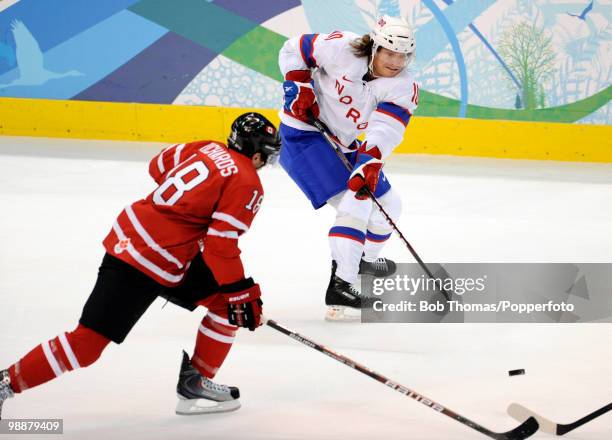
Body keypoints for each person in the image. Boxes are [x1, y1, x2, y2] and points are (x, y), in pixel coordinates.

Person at [0, 113, 281, 417]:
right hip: (146, 259)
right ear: (256, 154)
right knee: (87, 345)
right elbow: (219, 246)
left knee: (225, 306)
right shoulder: (247, 182)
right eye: (266, 156)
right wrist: (242, 291)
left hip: (147, 241)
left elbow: (157, 165)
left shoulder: (206, 147)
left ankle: (195, 383)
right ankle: (5, 383)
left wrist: (189, 207)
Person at [278, 16, 419, 321]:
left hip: (344, 142)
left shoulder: (403, 86)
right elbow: (294, 49)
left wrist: (369, 163)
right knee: (356, 203)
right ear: (375, 46)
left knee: (390, 206)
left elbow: (386, 130)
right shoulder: (343, 48)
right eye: (389, 53)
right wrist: (297, 82)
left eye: (402, 56)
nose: (396, 62)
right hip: (304, 136)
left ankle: (361, 261)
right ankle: (341, 282)